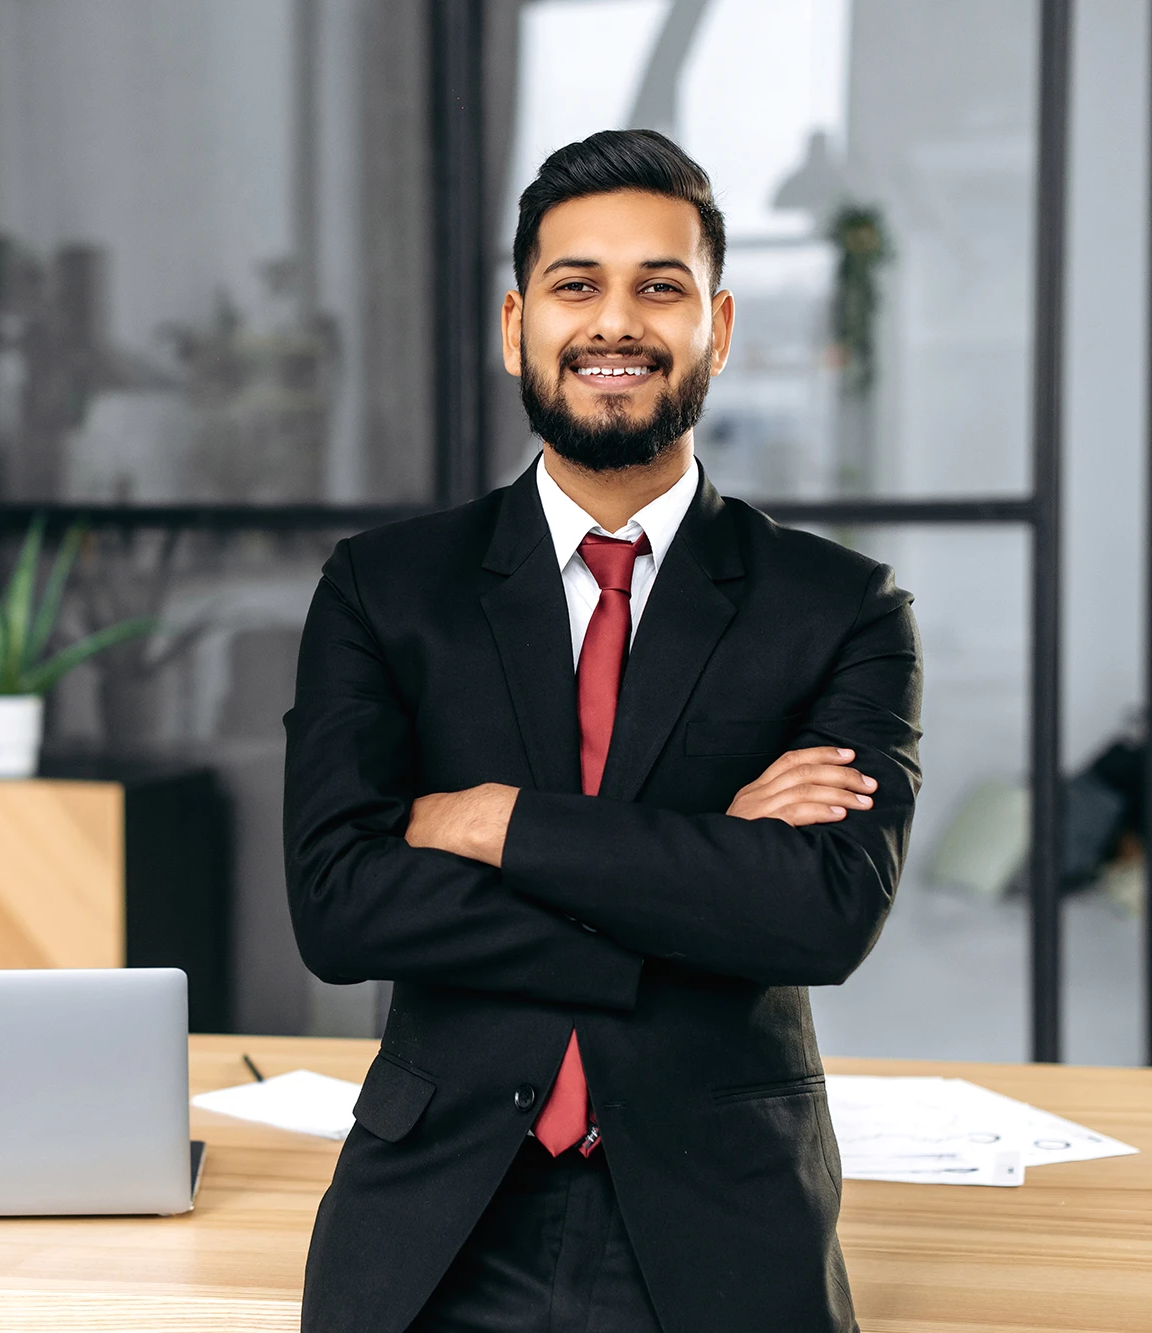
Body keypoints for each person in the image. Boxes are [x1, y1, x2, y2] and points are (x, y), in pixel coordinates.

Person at [283, 129, 921, 1333]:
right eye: (576, 285)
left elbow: (820, 915)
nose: (613, 323)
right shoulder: (384, 590)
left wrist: (489, 822)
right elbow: (337, 905)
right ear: (514, 322)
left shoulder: (838, 608)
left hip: (722, 1218)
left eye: (657, 287)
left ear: (717, 329)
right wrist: (694, 862)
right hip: (434, 1220)